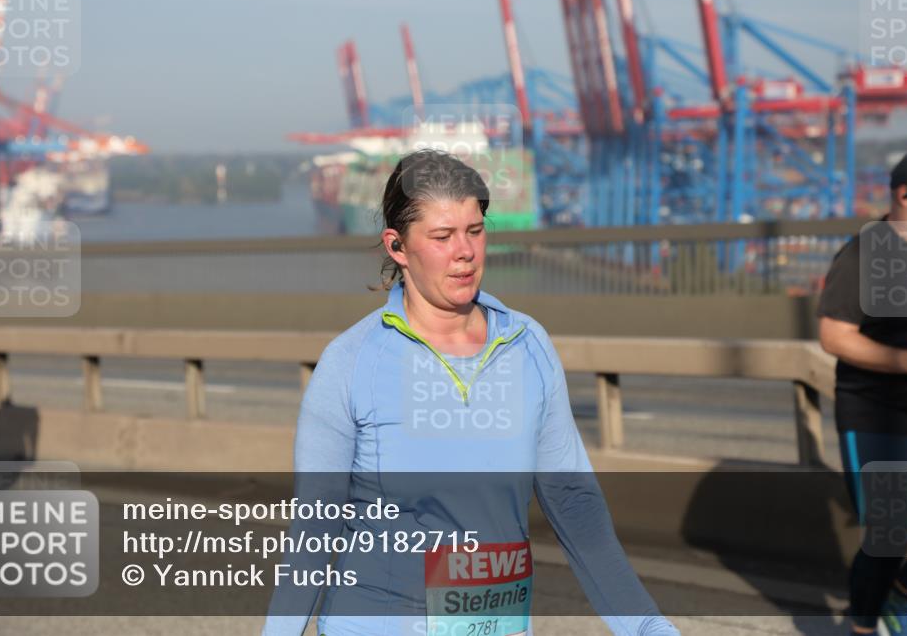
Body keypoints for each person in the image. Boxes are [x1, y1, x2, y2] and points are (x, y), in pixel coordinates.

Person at [262, 150, 678, 636]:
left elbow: (574, 504)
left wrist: (648, 626)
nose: (465, 251)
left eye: (475, 231)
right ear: (397, 247)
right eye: (442, 237)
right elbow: (315, 529)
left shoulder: (527, 345)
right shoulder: (353, 361)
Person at [817, 147, 907, 635]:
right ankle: (865, 624)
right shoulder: (865, 251)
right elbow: (833, 335)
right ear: (904, 193)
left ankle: (900, 594)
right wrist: (904, 360)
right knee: (888, 536)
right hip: (877, 416)